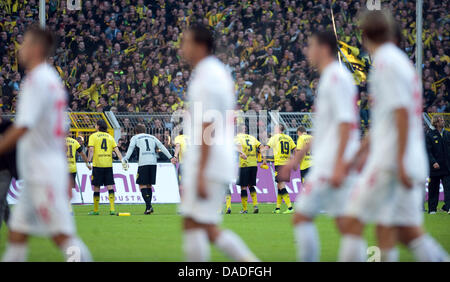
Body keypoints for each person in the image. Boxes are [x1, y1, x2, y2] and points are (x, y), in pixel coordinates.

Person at [339, 11, 449, 262]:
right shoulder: (397, 62)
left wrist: (399, 162)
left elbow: (400, 113)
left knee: (353, 220)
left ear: (364, 35)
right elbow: (386, 120)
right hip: (399, 158)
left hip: (393, 162)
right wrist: (360, 153)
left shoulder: (386, 64)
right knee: (401, 232)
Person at [0, 26, 91, 261]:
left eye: (25, 43)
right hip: (40, 171)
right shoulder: (51, 79)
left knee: (62, 237)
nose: (20, 49)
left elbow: (22, 127)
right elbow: (60, 132)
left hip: (42, 173)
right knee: (17, 234)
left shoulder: (37, 80)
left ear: (37, 48)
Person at [179, 24, 258, 262]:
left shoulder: (207, 77)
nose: (181, 47)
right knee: (204, 226)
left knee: (195, 224)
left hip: (209, 161)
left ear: (200, 45)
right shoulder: (215, 72)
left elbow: (208, 125)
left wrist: (201, 170)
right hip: (216, 158)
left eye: (186, 42)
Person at [280, 30, 360, 261]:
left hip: (334, 162)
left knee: (305, 217)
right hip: (330, 161)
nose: (307, 51)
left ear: (324, 48)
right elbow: (326, 128)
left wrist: (339, 165)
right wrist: (296, 159)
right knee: (344, 224)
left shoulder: (336, 78)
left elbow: (345, 124)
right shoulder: (330, 78)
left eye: (310, 45)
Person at [122, 123, 176, 214]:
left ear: (136, 131)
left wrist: (126, 159)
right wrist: (171, 157)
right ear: (144, 131)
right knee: (149, 185)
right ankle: (149, 207)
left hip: (143, 162)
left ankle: (148, 206)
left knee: (142, 185)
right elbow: (161, 147)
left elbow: (130, 148)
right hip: (153, 162)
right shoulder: (152, 137)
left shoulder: (135, 138)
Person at [87, 119, 126, 215]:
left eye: (96, 125)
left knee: (97, 186)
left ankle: (96, 210)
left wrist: (88, 161)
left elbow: (91, 150)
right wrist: (122, 161)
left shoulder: (93, 136)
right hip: (108, 164)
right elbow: (117, 151)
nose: (95, 126)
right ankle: (112, 209)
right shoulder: (110, 137)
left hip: (98, 164)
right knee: (110, 186)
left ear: (98, 126)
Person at [265, 124, 296, 214]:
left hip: (279, 163)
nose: (274, 129)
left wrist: (261, 151)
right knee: (279, 185)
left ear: (278, 129)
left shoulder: (275, 137)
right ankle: (277, 208)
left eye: (275, 128)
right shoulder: (288, 137)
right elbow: (295, 149)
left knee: (281, 185)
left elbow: (267, 147)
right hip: (287, 163)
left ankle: (290, 207)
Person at [234, 124, 264, 214]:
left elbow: (237, 145)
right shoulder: (252, 138)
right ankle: (255, 205)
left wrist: (241, 153)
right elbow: (261, 147)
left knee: (243, 187)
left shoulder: (237, 138)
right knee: (251, 185)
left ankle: (245, 209)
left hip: (244, 164)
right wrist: (262, 156)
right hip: (254, 164)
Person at [426, 115, 450, 214]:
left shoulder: (447, 134)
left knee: (448, 188)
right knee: (433, 189)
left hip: (447, 167)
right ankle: (432, 209)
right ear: (436, 123)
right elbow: (428, 151)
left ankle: (448, 207)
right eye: (441, 120)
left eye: (443, 120)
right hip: (435, 168)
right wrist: (433, 162)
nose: (443, 121)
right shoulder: (429, 135)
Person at [0, 118, 17, 230]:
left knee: (0, 199)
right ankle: (13, 227)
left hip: (4, 169)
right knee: (2, 200)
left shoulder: (8, 125)